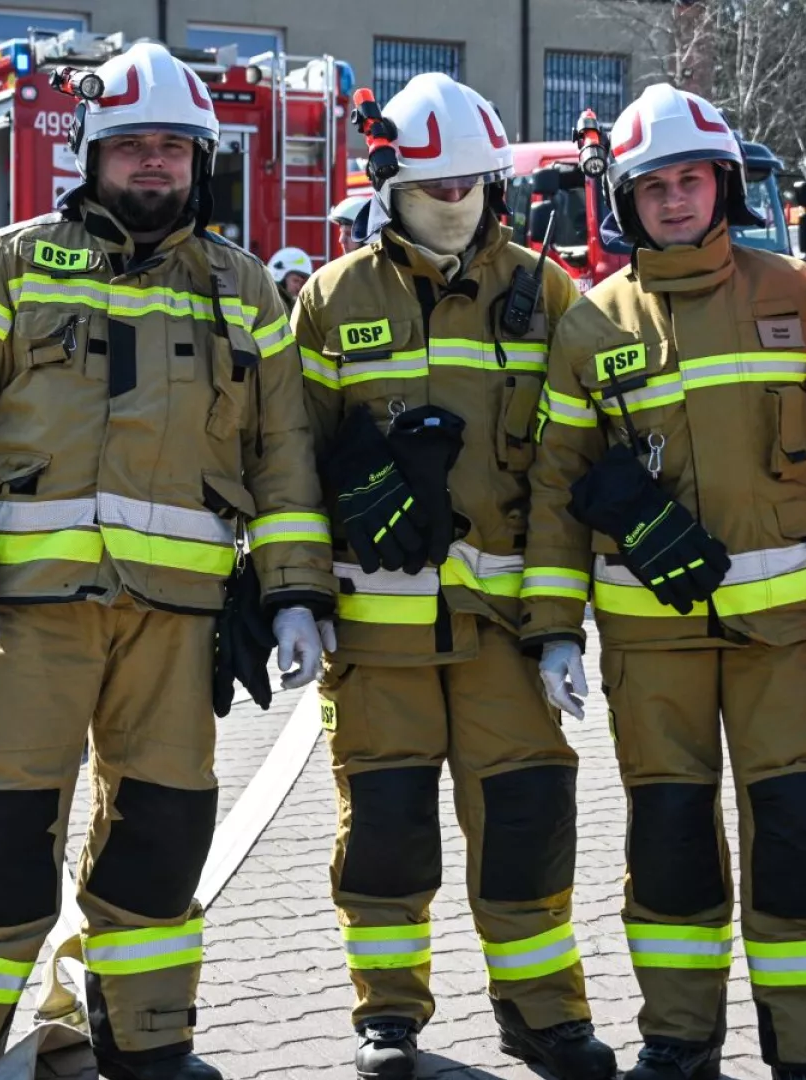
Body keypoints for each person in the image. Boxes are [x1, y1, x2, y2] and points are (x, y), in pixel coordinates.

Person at [0, 42, 332, 1080]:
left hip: (178, 625)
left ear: (201, 160)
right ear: (90, 156)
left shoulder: (246, 291)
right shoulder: (13, 263)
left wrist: (298, 593)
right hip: (30, 614)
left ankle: (139, 1042)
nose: (153, 166)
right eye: (130, 147)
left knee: (160, 837)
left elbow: (284, 456)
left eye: (173, 148)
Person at [523, 84, 806, 1080]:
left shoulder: (801, 299)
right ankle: (679, 1041)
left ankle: (805, 1056)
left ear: (726, 186)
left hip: (788, 641)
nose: (673, 201)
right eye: (653, 185)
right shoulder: (591, 327)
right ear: (626, 201)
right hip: (651, 641)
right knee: (670, 840)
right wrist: (554, 628)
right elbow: (555, 488)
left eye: (690, 180)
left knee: (796, 842)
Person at [294, 72, 613, 1080]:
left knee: (525, 826)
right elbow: (286, 461)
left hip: (504, 635)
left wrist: (561, 624)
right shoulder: (332, 298)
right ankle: (387, 1019)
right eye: (433, 189)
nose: (454, 204)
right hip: (374, 637)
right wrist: (297, 591)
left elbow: (573, 467)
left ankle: (543, 1015)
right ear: (388, 184)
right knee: (384, 835)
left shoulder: (548, 294)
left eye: (470, 185)